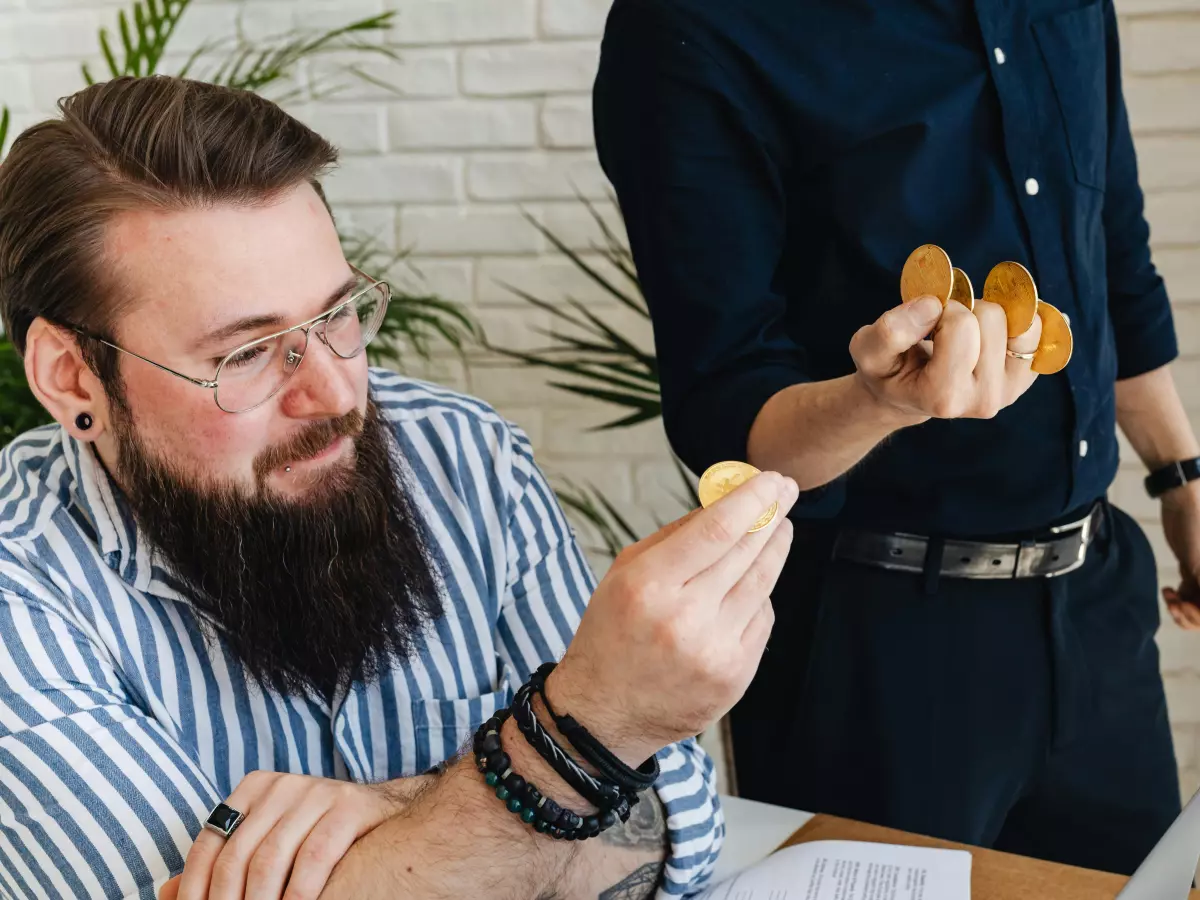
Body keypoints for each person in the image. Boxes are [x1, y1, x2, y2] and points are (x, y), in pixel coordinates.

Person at [0, 75, 800, 900]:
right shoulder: (18, 590)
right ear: (72, 379)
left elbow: (679, 829)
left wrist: (396, 806)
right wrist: (571, 742)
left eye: (337, 316)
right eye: (244, 355)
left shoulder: (465, 457)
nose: (337, 395)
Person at [592, 0, 1200, 879]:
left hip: (1098, 606)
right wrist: (879, 402)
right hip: (874, 646)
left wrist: (1180, 476)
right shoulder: (687, 25)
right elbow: (731, 419)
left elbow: (1110, 252)